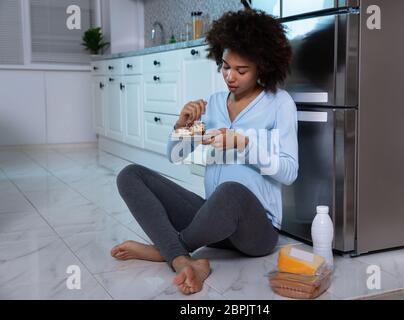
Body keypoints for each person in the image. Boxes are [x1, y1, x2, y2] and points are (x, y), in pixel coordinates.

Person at [110, 9, 298, 295]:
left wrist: (243, 144)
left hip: (256, 232)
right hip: (212, 223)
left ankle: (168, 251)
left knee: (231, 191)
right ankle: (184, 258)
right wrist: (182, 126)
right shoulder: (214, 103)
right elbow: (176, 156)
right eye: (225, 66)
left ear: (263, 67)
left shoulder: (279, 103)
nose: (230, 77)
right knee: (130, 175)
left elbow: (289, 172)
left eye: (241, 70)